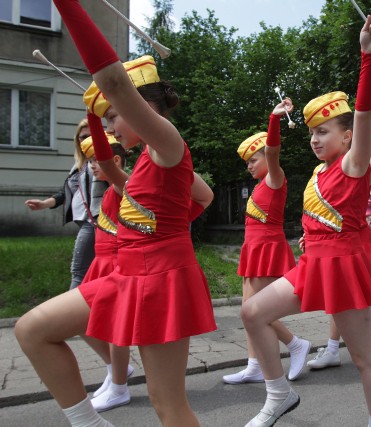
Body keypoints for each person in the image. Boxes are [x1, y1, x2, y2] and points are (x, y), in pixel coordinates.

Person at [15, 2, 216, 426]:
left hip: (160, 280)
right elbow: (204, 196)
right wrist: (172, 223)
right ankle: (89, 423)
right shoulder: (149, 160)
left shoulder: (166, 142)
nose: (108, 128)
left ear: (142, 107)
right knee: (32, 329)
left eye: (112, 117)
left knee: (168, 404)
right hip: (125, 274)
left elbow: (112, 81)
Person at [240, 11, 371, 427]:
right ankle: (279, 395)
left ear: (346, 137)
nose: (315, 138)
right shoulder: (318, 173)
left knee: (363, 361)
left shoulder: (354, 164)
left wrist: (368, 57)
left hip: (344, 267)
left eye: (324, 131)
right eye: (312, 132)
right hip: (313, 265)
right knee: (252, 313)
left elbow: (362, 112)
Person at [224, 100, 311, 385]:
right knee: (247, 311)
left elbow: (273, 152)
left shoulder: (276, 178)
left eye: (253, 160)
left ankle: (295, 343)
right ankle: (254, 365)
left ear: (266, 158)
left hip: (268, 249)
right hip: (253, 250)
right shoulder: (260, 185)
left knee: (257, 311)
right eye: (247, 162)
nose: (249, 166)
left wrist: (273, 120)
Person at [307, 98, 371, 370]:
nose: (315, 139)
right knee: (339, 299)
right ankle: (332, 348)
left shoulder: (363, 168)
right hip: (340, 235)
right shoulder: (327, 171)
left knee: (369, 298)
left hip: (359, 237)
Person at [76, 132, 135, 412]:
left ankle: (119, 386)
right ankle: (116, 371)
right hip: (100, 264)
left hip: (115, 264)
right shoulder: (109, 189)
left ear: (115, 160)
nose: (91, 167)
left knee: (113, 328)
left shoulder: (124, 186)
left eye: (96, 161)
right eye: (89, 162)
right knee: (84, 322)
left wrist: (95, 118)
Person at [25, 118, 108, 289]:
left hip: (95, 221)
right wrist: (43, 204)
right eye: (82, 137)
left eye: (91, 136)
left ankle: (70, 312)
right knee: (92, 270)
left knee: (78, 271)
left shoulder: (103, 161)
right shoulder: (78, 165)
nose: (86, 141)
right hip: (85, 221)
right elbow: (67, 193)